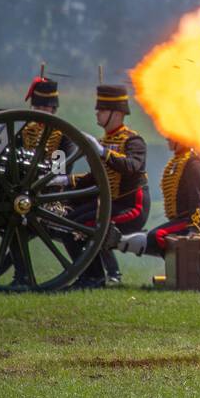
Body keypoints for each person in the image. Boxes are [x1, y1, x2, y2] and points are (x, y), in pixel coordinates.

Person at [63, 84, 150, 288]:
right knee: (68, 223)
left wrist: (103, 152)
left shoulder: (133, 140)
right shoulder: (105, 140)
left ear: (117, 113)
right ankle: (90, 276)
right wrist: (65, 181)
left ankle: (97, 277)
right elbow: (95, 178)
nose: (97, 113)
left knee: (84, 227)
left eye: (102, 110)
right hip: (108, 204)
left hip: (131, 207)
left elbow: (131, 166)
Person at [110, 136, 200, 257]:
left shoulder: (193, 163)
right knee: (155, 236)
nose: (168, 138)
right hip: (181, 219)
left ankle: (178, 260)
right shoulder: (179, 160)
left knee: (157, 235)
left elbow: (198, 195)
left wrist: (194, 228)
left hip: (190, 221)